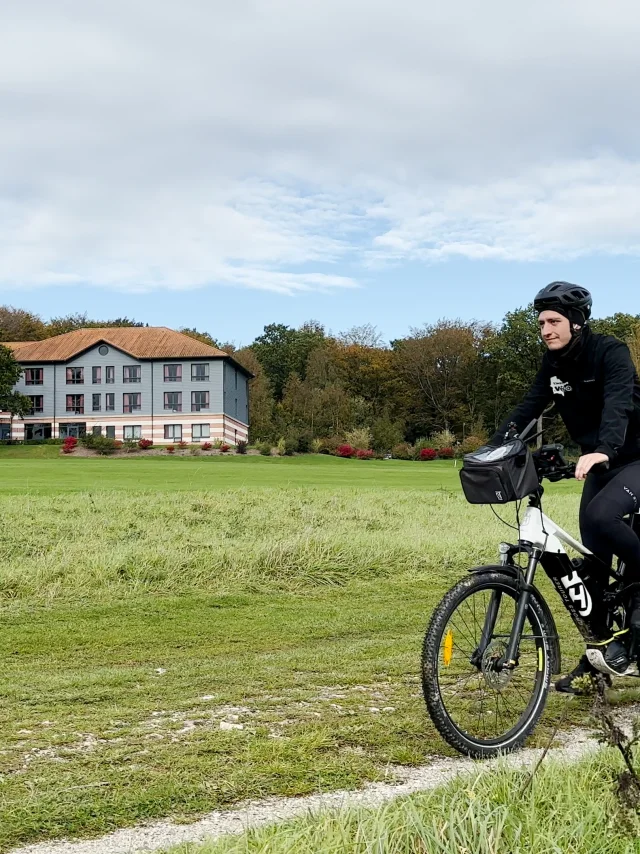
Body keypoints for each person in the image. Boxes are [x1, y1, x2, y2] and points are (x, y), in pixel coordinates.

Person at [490, 281, 640, 692]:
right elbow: (528, 408)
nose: (545, 329)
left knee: (600, 515)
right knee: (593, 560)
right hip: (602, 461)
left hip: (633, 456)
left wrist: (603, 448)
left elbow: (618, 403)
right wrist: (492, 448)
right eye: (541, 322)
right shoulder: (553, 364)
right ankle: (601, 659)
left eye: (554, 321)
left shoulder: (609, 352)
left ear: (576, 322)